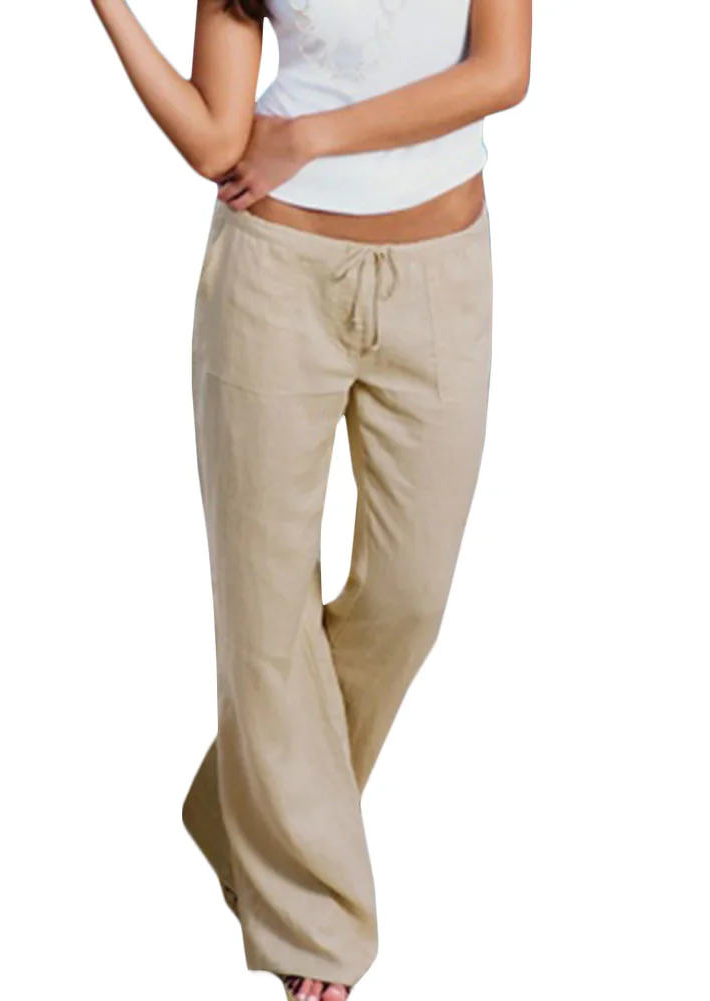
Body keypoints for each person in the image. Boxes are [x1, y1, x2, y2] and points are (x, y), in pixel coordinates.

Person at [90, 0, 532, 997]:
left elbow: (501, 73)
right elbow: (216, 140)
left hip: (440, 275)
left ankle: (236, 808)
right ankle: (312, 918)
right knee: (265, 610)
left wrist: (312, 136)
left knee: (409, 597)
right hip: (273, 275)